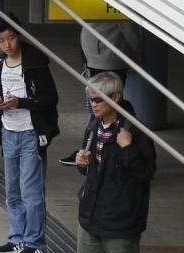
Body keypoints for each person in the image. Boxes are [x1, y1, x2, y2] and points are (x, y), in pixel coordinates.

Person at [66, 72, 155, 253]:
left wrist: (128, 148)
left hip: (122, 218)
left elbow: (146, 174)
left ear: (116, 97)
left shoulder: (135, 131)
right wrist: (82, 163)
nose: (92, 104)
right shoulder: (94, 125)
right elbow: (93, 169)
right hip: (91, 214)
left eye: (97, 100)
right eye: (90, 99)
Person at [0, 24, 59, 253]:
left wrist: (22, 102)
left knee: (31, 191)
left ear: (18, 37)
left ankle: (35, 243)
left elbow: (50, 97)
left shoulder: (35, 63)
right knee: (13, 190)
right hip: (8, 131)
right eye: (1, 40)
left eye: (11, 38)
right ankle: (17, 238)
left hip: (31, 132)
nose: (7, 44)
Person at [57, 20, 140, 166]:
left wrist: (136, 51)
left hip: (108, 58)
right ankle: (91, 151)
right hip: (96, 58)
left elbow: (128, 28)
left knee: (104, 111)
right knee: (97, 111)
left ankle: (92, 152)